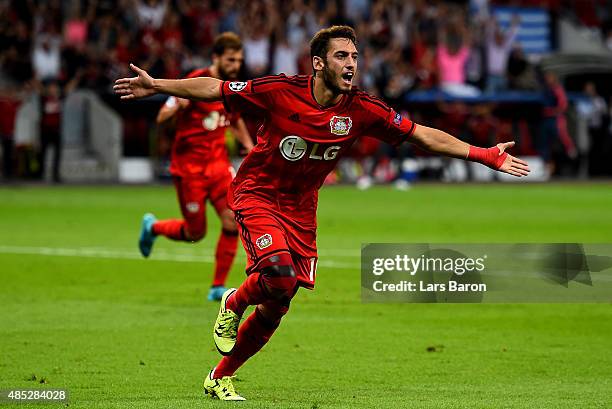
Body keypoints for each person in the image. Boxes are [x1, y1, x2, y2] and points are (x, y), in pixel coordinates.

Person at [115, 25, 530, 401]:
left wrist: (483, 155)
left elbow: (421, 134)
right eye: (341, 56)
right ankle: (232, 301)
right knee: (277, 273)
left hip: (300, 210)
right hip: (257, 193)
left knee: (280, 300)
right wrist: (158, 85)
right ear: (318, 63)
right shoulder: (278, 90)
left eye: (354, 56)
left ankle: (219, 376)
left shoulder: (362, 109)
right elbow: (216, 88)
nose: (351, 64)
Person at [139, 32, 254, 302]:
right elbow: (161, 116)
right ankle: (153, 227)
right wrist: (178, 106)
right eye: (230, 59)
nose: (236, 65)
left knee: (232, 222)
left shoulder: (232, 87)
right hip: (189, 169)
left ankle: (217, 286)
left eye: (239, 60)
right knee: (195, 232)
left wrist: (250, 146)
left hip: (218, 167)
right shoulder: (193, 82)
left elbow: (235, 120)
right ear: (216, 57)